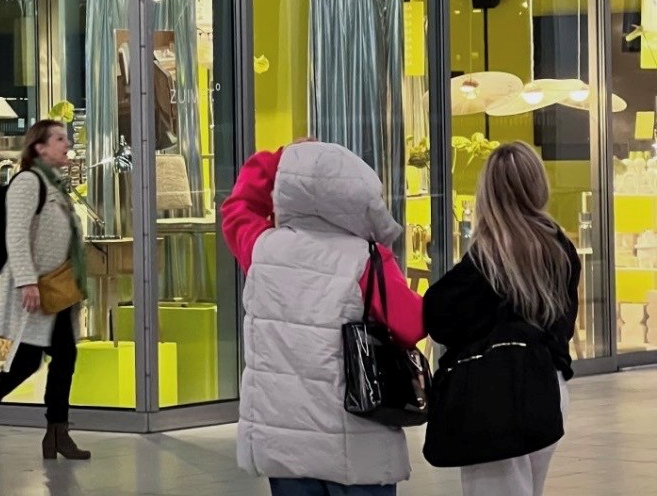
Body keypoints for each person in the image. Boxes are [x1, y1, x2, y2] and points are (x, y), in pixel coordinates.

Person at [222, 140, 424, 496]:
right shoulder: (368, 260)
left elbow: (238, 207)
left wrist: (281, 158)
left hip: (287, 448)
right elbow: (411, 326)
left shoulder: (263, 249)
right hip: (358, 449)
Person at [423, 142, 580, 496]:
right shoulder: (560, 247)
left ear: (488, 192)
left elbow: (439, 315)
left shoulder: (488, 256)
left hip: (493, 390)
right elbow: (564, 323)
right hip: (548, 384)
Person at [0, 119, 89, 461]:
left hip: (57, 285)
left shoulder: (53, 183)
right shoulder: (28, 182)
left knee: (57, 358)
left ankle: (53, 433)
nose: (67, 144)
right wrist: (27, 281)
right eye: (59, 139)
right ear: (39, 147)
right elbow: (16, 235)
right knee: (33, 361)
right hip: (38, 288)